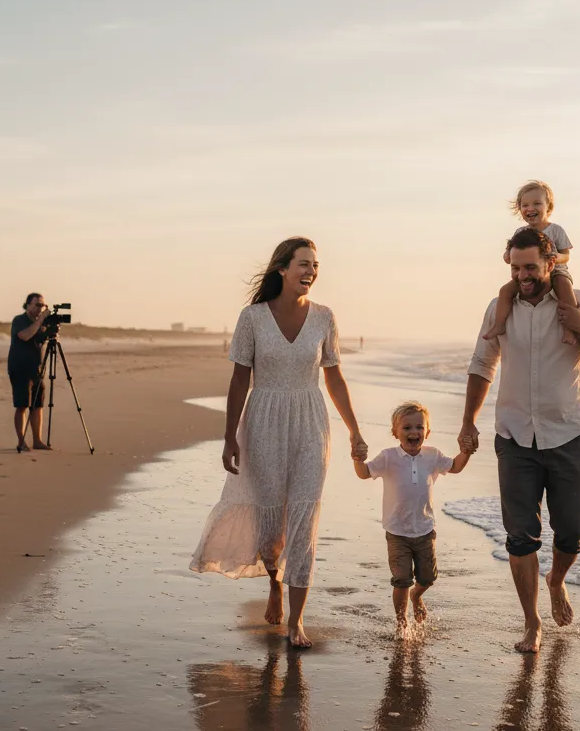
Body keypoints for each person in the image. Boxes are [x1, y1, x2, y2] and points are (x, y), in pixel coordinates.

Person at [190, 238, 368, 649]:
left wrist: (354, 430)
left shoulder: (324, 318)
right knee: (271, 525)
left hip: (310, 422)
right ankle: (275, 584)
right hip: (263, 420)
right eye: (303, 264)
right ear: (282, 270)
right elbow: (239, 379)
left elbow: (334, 378)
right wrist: (230, 436)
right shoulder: (252, 318)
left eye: (315, 265)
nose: (311, 271)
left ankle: (297, 621)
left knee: (304, 520)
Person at [459, 227, 580, 653]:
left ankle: (557, 580)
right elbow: (481, 365)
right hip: (513, 435)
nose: (523, 276)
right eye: (515, 268)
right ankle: (531, 623)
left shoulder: (578, 303)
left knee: (572, 530)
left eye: (530, 267)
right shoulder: (500, 307)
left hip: (566, 433)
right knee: (520, 536)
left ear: (551, 263)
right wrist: (468, 423)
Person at [353, 401, 471, 630]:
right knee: (401, 580)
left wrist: (465, 452)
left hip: (425, 530)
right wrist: (357, 458)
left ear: (427, 431)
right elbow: (364, 473)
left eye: (419, 427)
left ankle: (417, 596)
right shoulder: (388, 457)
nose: (413, 432)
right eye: (407, 428)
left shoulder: (433, 456)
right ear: (395, 432)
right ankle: (401, 622)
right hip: (397, 532)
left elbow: (455, 466)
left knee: (427, 578)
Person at [484, 180, 580, 344]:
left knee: (564, 288)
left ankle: (570, 329)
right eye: (525, 205)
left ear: (548, 207)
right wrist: (508, 255)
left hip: (556, 270)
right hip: (528, 272)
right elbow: (510, 253)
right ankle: (499, 324)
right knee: (505, 291)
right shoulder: (521, 232)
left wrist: (555, 257)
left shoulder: (556, 230)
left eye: (537, 203)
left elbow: (566, 255)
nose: (530, 208)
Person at [8, 292, 52, 453]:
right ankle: (21, 441)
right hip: (20, 367)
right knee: (22, 405)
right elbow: (25, 336)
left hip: (37, 369)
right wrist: (40, 321)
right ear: (28, 305)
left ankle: (37, 441)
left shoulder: (41, 323)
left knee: (37, 405)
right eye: (38, 305)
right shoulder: (19, 320)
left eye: (43, 305)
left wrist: (50, 330)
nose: (41, 308)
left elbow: (43, 339)